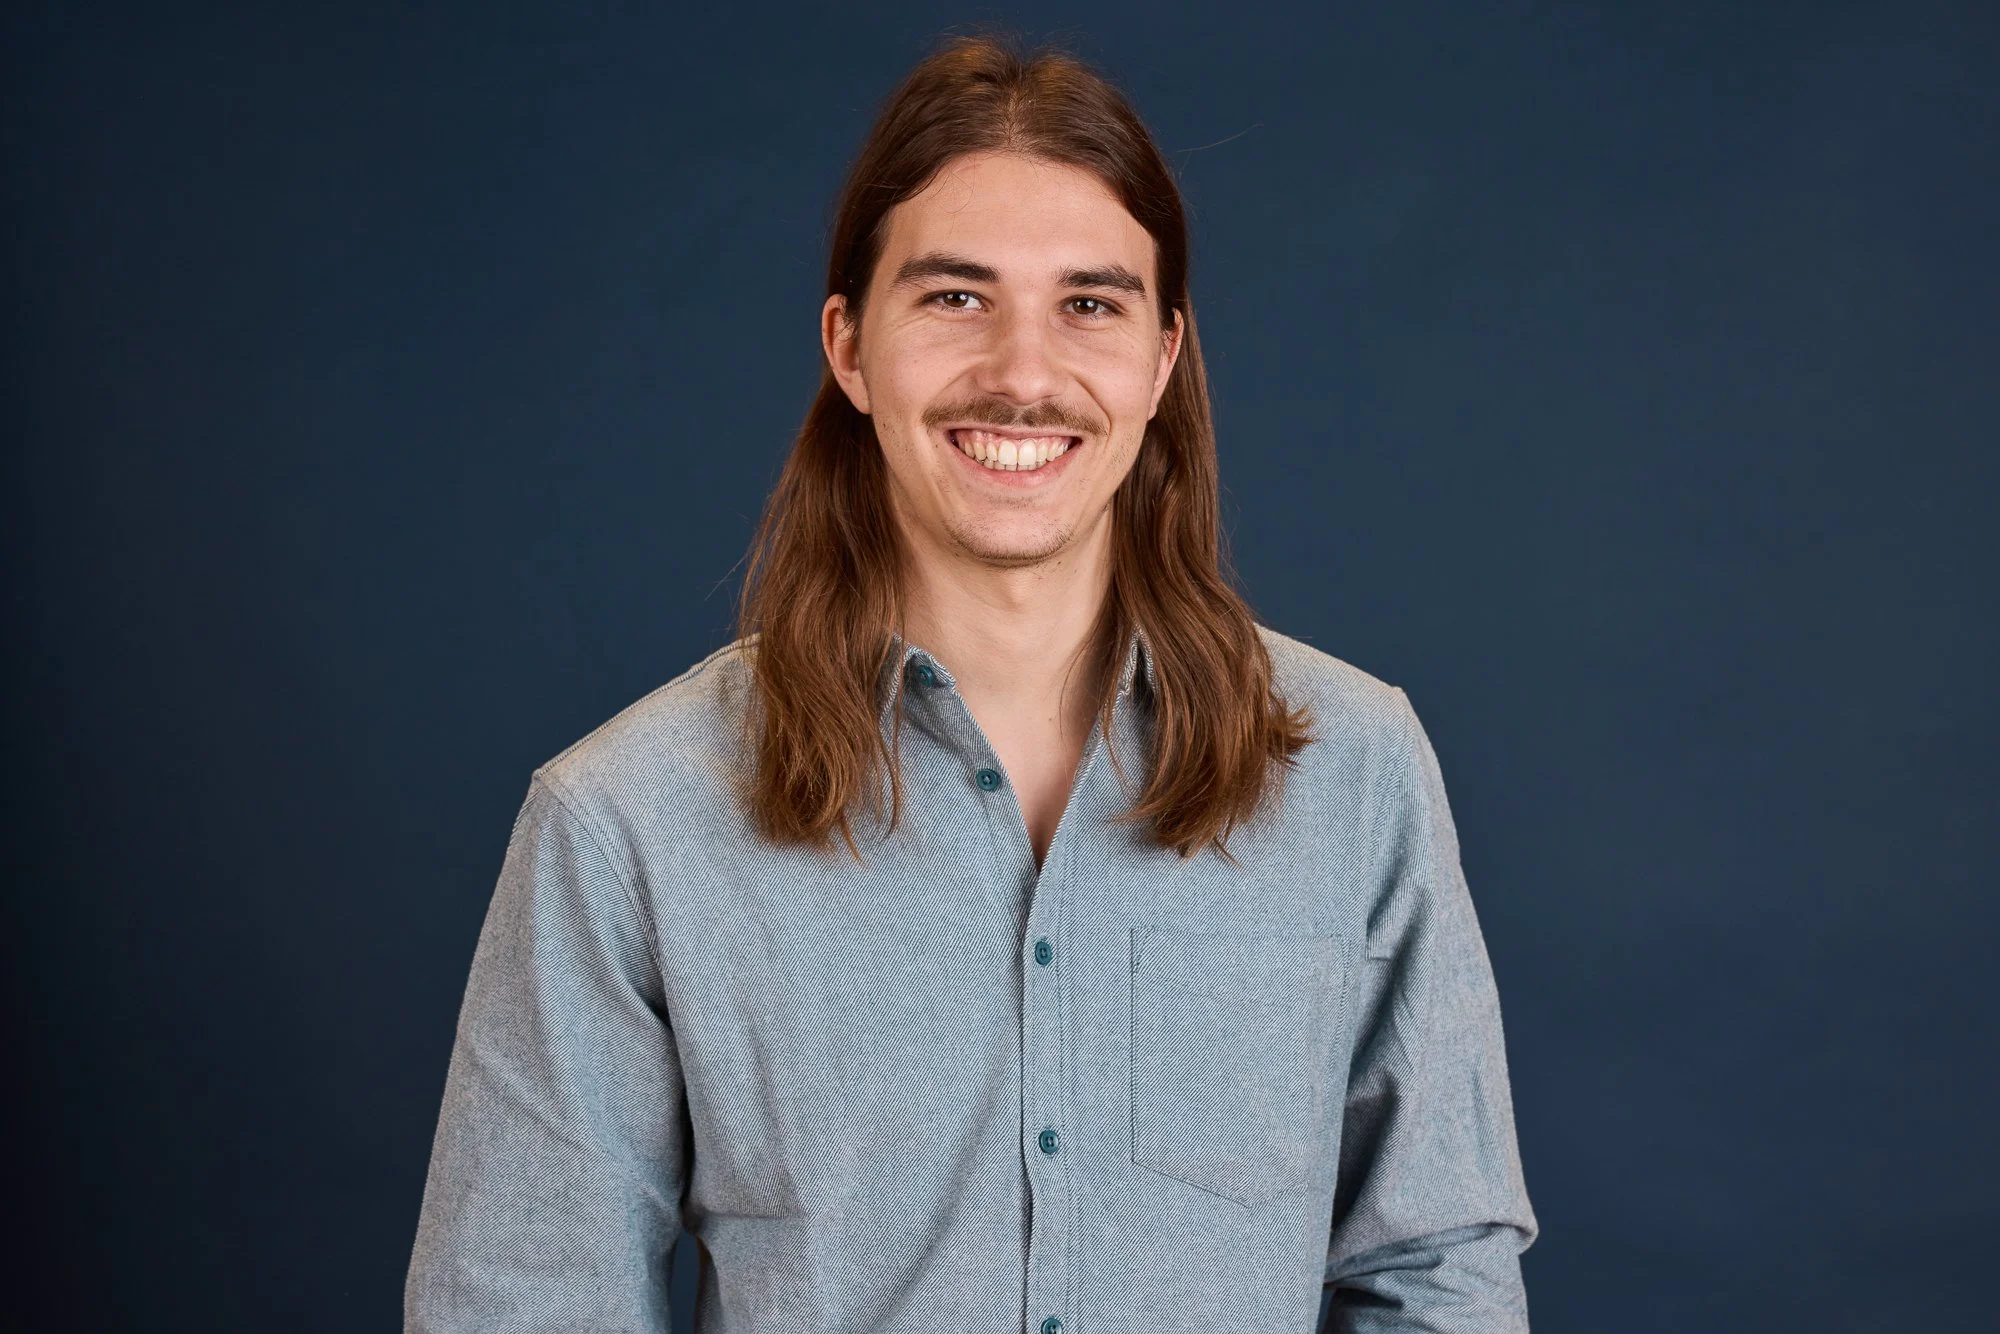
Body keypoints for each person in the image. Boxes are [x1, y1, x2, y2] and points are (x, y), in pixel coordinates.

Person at [405, 34, 1536, 1334]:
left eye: (1089, 305)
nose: (1023, 373)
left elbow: (1437, 1273)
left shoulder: (1355, 770)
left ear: (1162, 359)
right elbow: (521, 1302)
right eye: (955, 297)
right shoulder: (625, 821)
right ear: (850, 347)